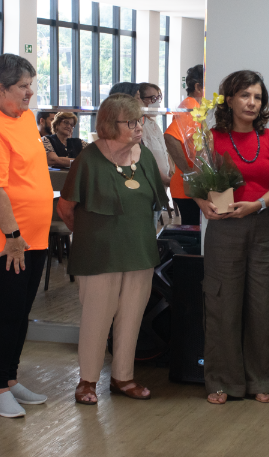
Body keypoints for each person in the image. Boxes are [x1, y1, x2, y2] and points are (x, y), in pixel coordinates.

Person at [56, 94, 168, 405]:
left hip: (139, 251)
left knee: (132, 317)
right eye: (130, 122)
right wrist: (91, 235)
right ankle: (87, 381)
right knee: (97, 317)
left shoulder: (144, 156)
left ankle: (123, 377)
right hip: (98, 253)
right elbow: (65, 208)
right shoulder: (89, 159)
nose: (138, 127)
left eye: (139, 121)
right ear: (109, 125)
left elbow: (157, 200)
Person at [195, 70, 269, 404]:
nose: (252, 103)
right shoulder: (209, 137)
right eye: (245, 95)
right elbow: (195, 181)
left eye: (258, 97)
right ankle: (222, 381)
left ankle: (262, 380)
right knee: (222, 303)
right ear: (230, 99)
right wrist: (202, 204)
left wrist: (257, 204)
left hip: (263, 226)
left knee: (263, 302)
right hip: (224, 228)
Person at [0, 54, 51, 418]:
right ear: (1, 88)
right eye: (22, 86)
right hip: (5, 238)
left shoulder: (27, 119)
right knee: (6, 313)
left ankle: (11, 378)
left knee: (21, 313)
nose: (29, 92)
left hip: (35, 234)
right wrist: (13, 234)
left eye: (30, 85)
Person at [165, 64, 205, 225]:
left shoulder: (196, 107)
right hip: (187, 188)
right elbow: (170, 137)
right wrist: (189, 173)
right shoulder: (190, 107)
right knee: (194, 232)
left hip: (192, 187)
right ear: (198, 87)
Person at [138, 83, 173, 186]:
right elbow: (145, 157)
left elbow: (164, 151)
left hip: (163, 184)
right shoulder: (140, 126)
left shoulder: (154, 125)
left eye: (158, 98)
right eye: (153, 98)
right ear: (140, 100)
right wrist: (163, 178)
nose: (157, 102)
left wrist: (171, 171)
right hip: (152, 182)